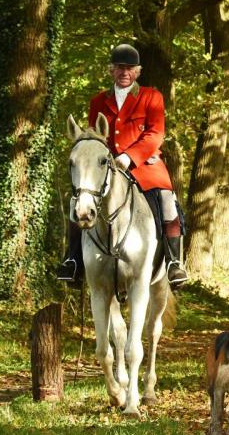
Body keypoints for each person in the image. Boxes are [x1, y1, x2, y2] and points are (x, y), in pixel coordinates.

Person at [57, 44, 190, 289]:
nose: (124, 72)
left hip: (144, 165)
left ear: (137, 72)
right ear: (112, 70)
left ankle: (173, 262)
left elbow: (156, 134)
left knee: (167, 199)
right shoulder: (98, 100)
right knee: (78, 199)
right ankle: (73, 259)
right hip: (106, 167)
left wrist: (130, 156)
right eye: (119, 68)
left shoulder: (152, 96)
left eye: (129, 68)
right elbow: (94, 138)